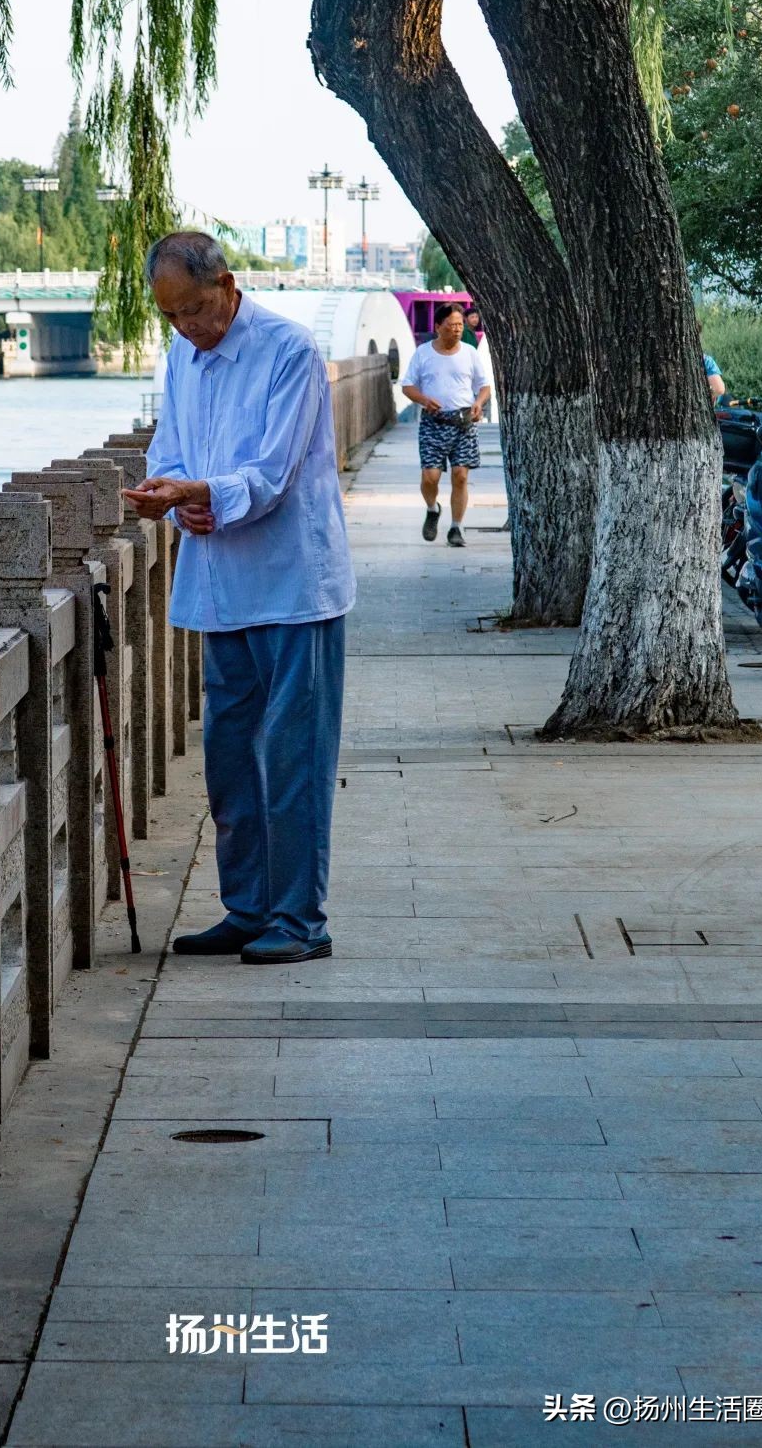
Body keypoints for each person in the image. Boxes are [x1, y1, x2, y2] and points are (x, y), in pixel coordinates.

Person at [121, 231, 355, 966]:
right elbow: (173, 446)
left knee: (293, 757)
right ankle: (247, 905)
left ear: (226, 286)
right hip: (222, 582)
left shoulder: (288, 351)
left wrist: (206, 494)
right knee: (229, 755)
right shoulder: (183, 357)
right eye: (172, 316)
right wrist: (168, 490)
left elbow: (274, 472)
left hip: (292, 583)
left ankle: (299, 918)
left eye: (194, 309)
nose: (187, 327)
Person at [401, 301, 491, 547]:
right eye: (451, 325)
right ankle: (432, 508)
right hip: (434, 422)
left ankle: (456, 528)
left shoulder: (469, 353)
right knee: (430, 477)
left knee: (460, 476)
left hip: (463, 421)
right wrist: (423, 399)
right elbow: (407, 386)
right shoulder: (423, 353)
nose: (457, 330)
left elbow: (484, 386)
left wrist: (478, 403)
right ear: (438, 326)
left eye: (460, 325)